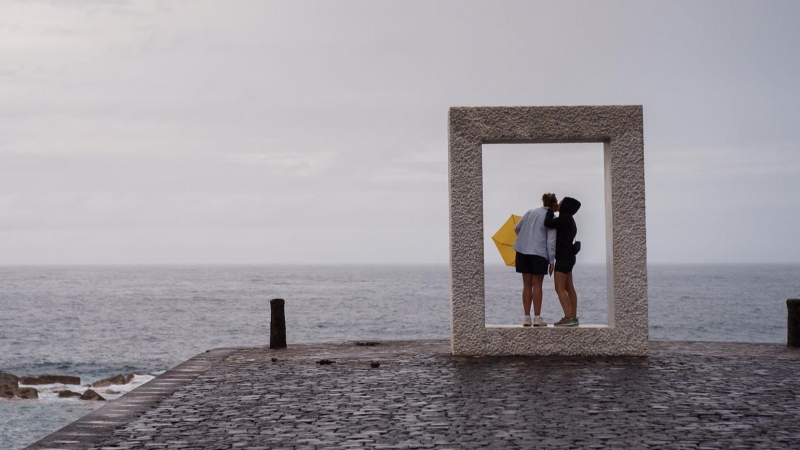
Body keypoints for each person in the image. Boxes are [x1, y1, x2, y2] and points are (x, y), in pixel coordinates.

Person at [513, 193, 557, 327]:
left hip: (522, 251)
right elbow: (551, 241)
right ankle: (537, 317)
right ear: (554, 204)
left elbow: (517, 228)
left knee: (526, 285)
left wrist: (526, 238)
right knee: (537, 285)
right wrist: (551, 260)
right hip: (539, 252)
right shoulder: (551, 218)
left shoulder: (530, 212)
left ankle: (527, 317)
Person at [544, 197, 581, 327]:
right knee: (569, 288)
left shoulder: (564, 218)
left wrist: (549, 210)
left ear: (565, 206)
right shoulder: (571, 220)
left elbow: (548, 223)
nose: (558, 203)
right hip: (569, 257)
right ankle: (574, 317)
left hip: (563, 257)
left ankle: (568, 317)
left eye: (561, 202)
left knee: (559, 287)